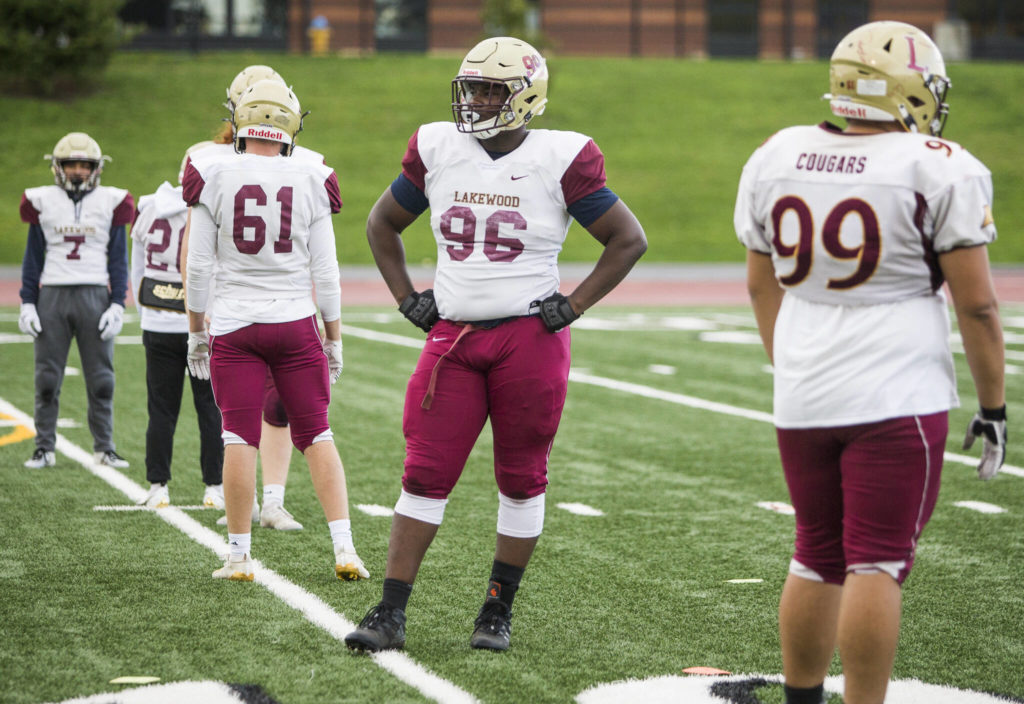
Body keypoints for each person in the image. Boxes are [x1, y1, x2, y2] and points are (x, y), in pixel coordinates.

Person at [344, 36, 647, 653]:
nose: (477, 100)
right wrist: (408, 298)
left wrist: (574, 303)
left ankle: (496, 611)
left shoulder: (560, 157)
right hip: (453, 339)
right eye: (472, 87)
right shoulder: (438, 147)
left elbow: (627, 238)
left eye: (492, 89)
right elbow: (382, 224)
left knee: (521, 477)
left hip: (526, 340)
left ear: (526, 97)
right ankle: (390, 612)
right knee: (424, 474)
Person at [734, 21, 1006, 704]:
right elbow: (976, 307)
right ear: (908, 90)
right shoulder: (939, 164)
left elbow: (759, 282)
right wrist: (994, 405)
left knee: (815, 552)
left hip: (804, 389)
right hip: (896, 390)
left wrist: (785, 362)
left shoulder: (778, 152)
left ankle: (802, 697)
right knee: (877, 563)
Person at [183, 78, 368, 582]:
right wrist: (333, 335)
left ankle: (240, 555)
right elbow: (326, 272)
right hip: (294, 322)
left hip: (235, 325)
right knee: (319, 434)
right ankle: (345, 549)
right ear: (292, 125)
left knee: (238, 437)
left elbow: (198, 267)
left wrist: (197, 330)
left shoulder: (211, 168)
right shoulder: (313, 173)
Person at [18, 132, 134, 469]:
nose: (79, 171)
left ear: (96, 168)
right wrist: (27, 301)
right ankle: (44, 446)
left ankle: (104, 447)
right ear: (58, 167)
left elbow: (118, 259)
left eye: (85, 165)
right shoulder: (42, 200)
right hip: (52, 296)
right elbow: (33, 258)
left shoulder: (112, 201)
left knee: (102, 380)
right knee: (47, 379)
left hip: (94, 296)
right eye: (72, 164)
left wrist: (116, 303)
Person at [131, 142, 224, 509]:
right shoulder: (208, 207)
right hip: (199, 322)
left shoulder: (150, 205)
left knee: (161, 408)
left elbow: (138, 259)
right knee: (210, 409)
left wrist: (144, 307)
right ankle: (214, 486)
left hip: (157, 319)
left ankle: (158, 486)